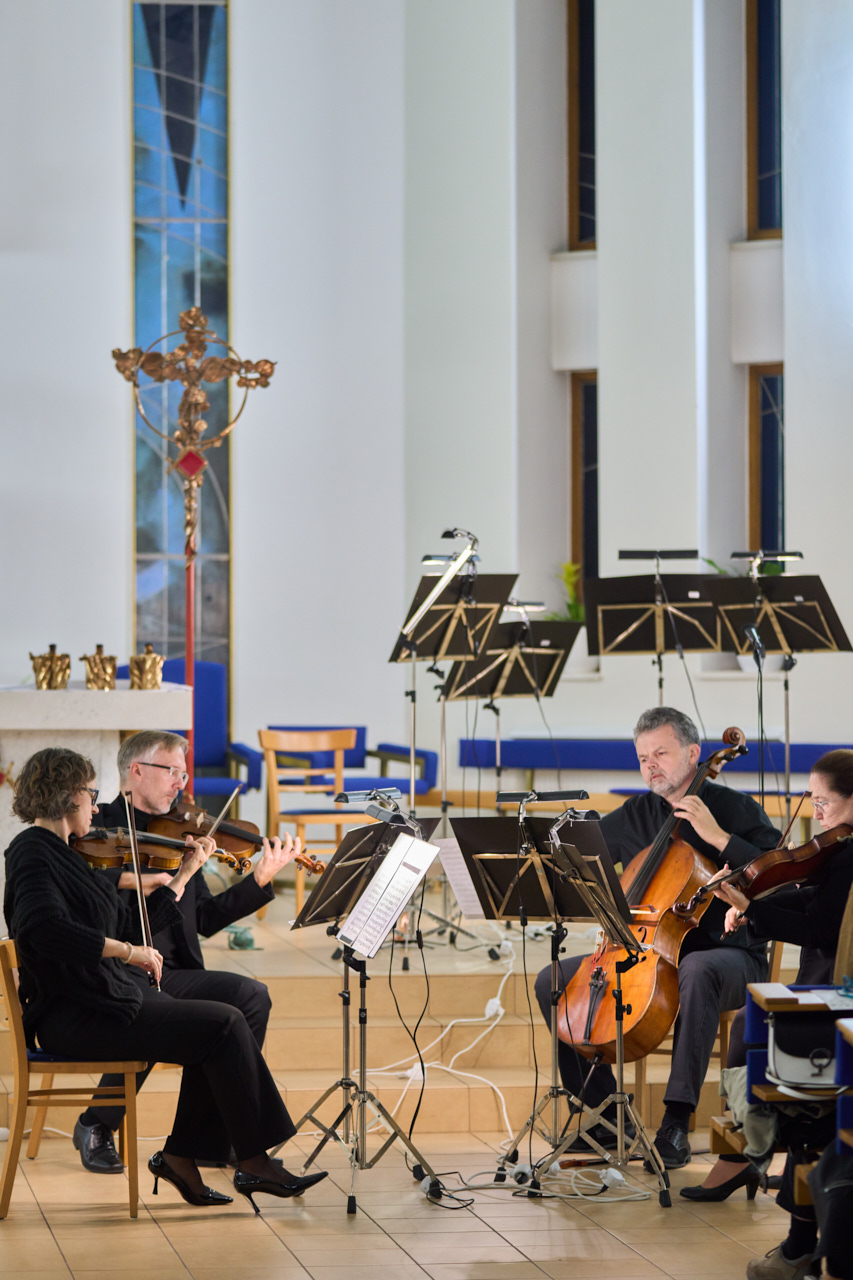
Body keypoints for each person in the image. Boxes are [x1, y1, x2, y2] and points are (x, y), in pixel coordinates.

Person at [3, 747, 326, 1212]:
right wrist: (126, 952)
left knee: (222, 1020)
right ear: (68, 795)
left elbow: (130, 925)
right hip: (74, 1013)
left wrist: (183, 875)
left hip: (101, 998)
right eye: (90, 793)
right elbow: (44, 929)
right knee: (223, 1025)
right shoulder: (32, 852)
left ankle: (186, 1157)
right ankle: (250, 1162)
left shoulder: (64, 854)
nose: (95, 804)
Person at [534, 706, 781, 1169]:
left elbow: (777, 876)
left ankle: (675, 1122)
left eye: (661, 754)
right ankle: (606, 1119)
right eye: (643, 758)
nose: (651, 766)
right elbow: (579, 861)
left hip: (728, 955)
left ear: (693, 753)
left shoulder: (735, 809)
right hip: (645, 954)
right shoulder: (636, 814)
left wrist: (718, 837)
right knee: (552, 981)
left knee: (697, 968)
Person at [72, 730, 283, 1175]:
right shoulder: (96, 825)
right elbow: (77, 884)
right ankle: (97, 1123)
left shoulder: (183, 834)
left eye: (183, 774)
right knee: (162, 1009)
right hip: (118, 966)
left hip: (173, 970)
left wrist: (258, 881)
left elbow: (203, 918)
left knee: (251, 997)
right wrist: (132, 879)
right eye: (171, 771)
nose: (180, 784)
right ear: (136, 771)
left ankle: (206, 1139)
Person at [680, 750, 853, 1280]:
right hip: (829, 991)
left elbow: (819, 927)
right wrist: (752, 903)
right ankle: (754, 1156)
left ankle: (759, 1158)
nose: (816, 814)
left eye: (823, 802)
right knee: (757, 1042)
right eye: (812, 801)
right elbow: (814, 902)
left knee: (786, 1084)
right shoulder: (841, 851)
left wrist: (752, 907)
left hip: (838, 1001)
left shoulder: (849, 855)